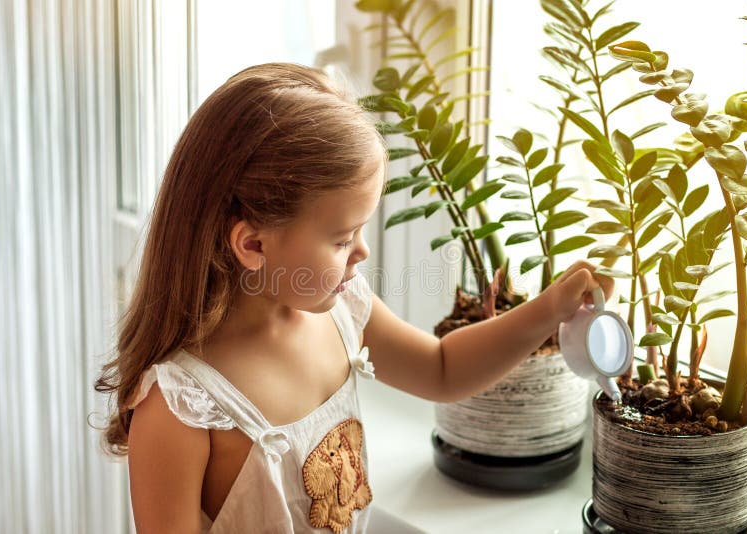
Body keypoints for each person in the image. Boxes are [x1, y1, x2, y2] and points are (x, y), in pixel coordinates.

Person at [95, 63, 613, 534]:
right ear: (253, 244)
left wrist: (549, 310)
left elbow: (443, 370)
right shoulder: (183, 405)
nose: (362, 251)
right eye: (342, 239)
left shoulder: (344, 312)